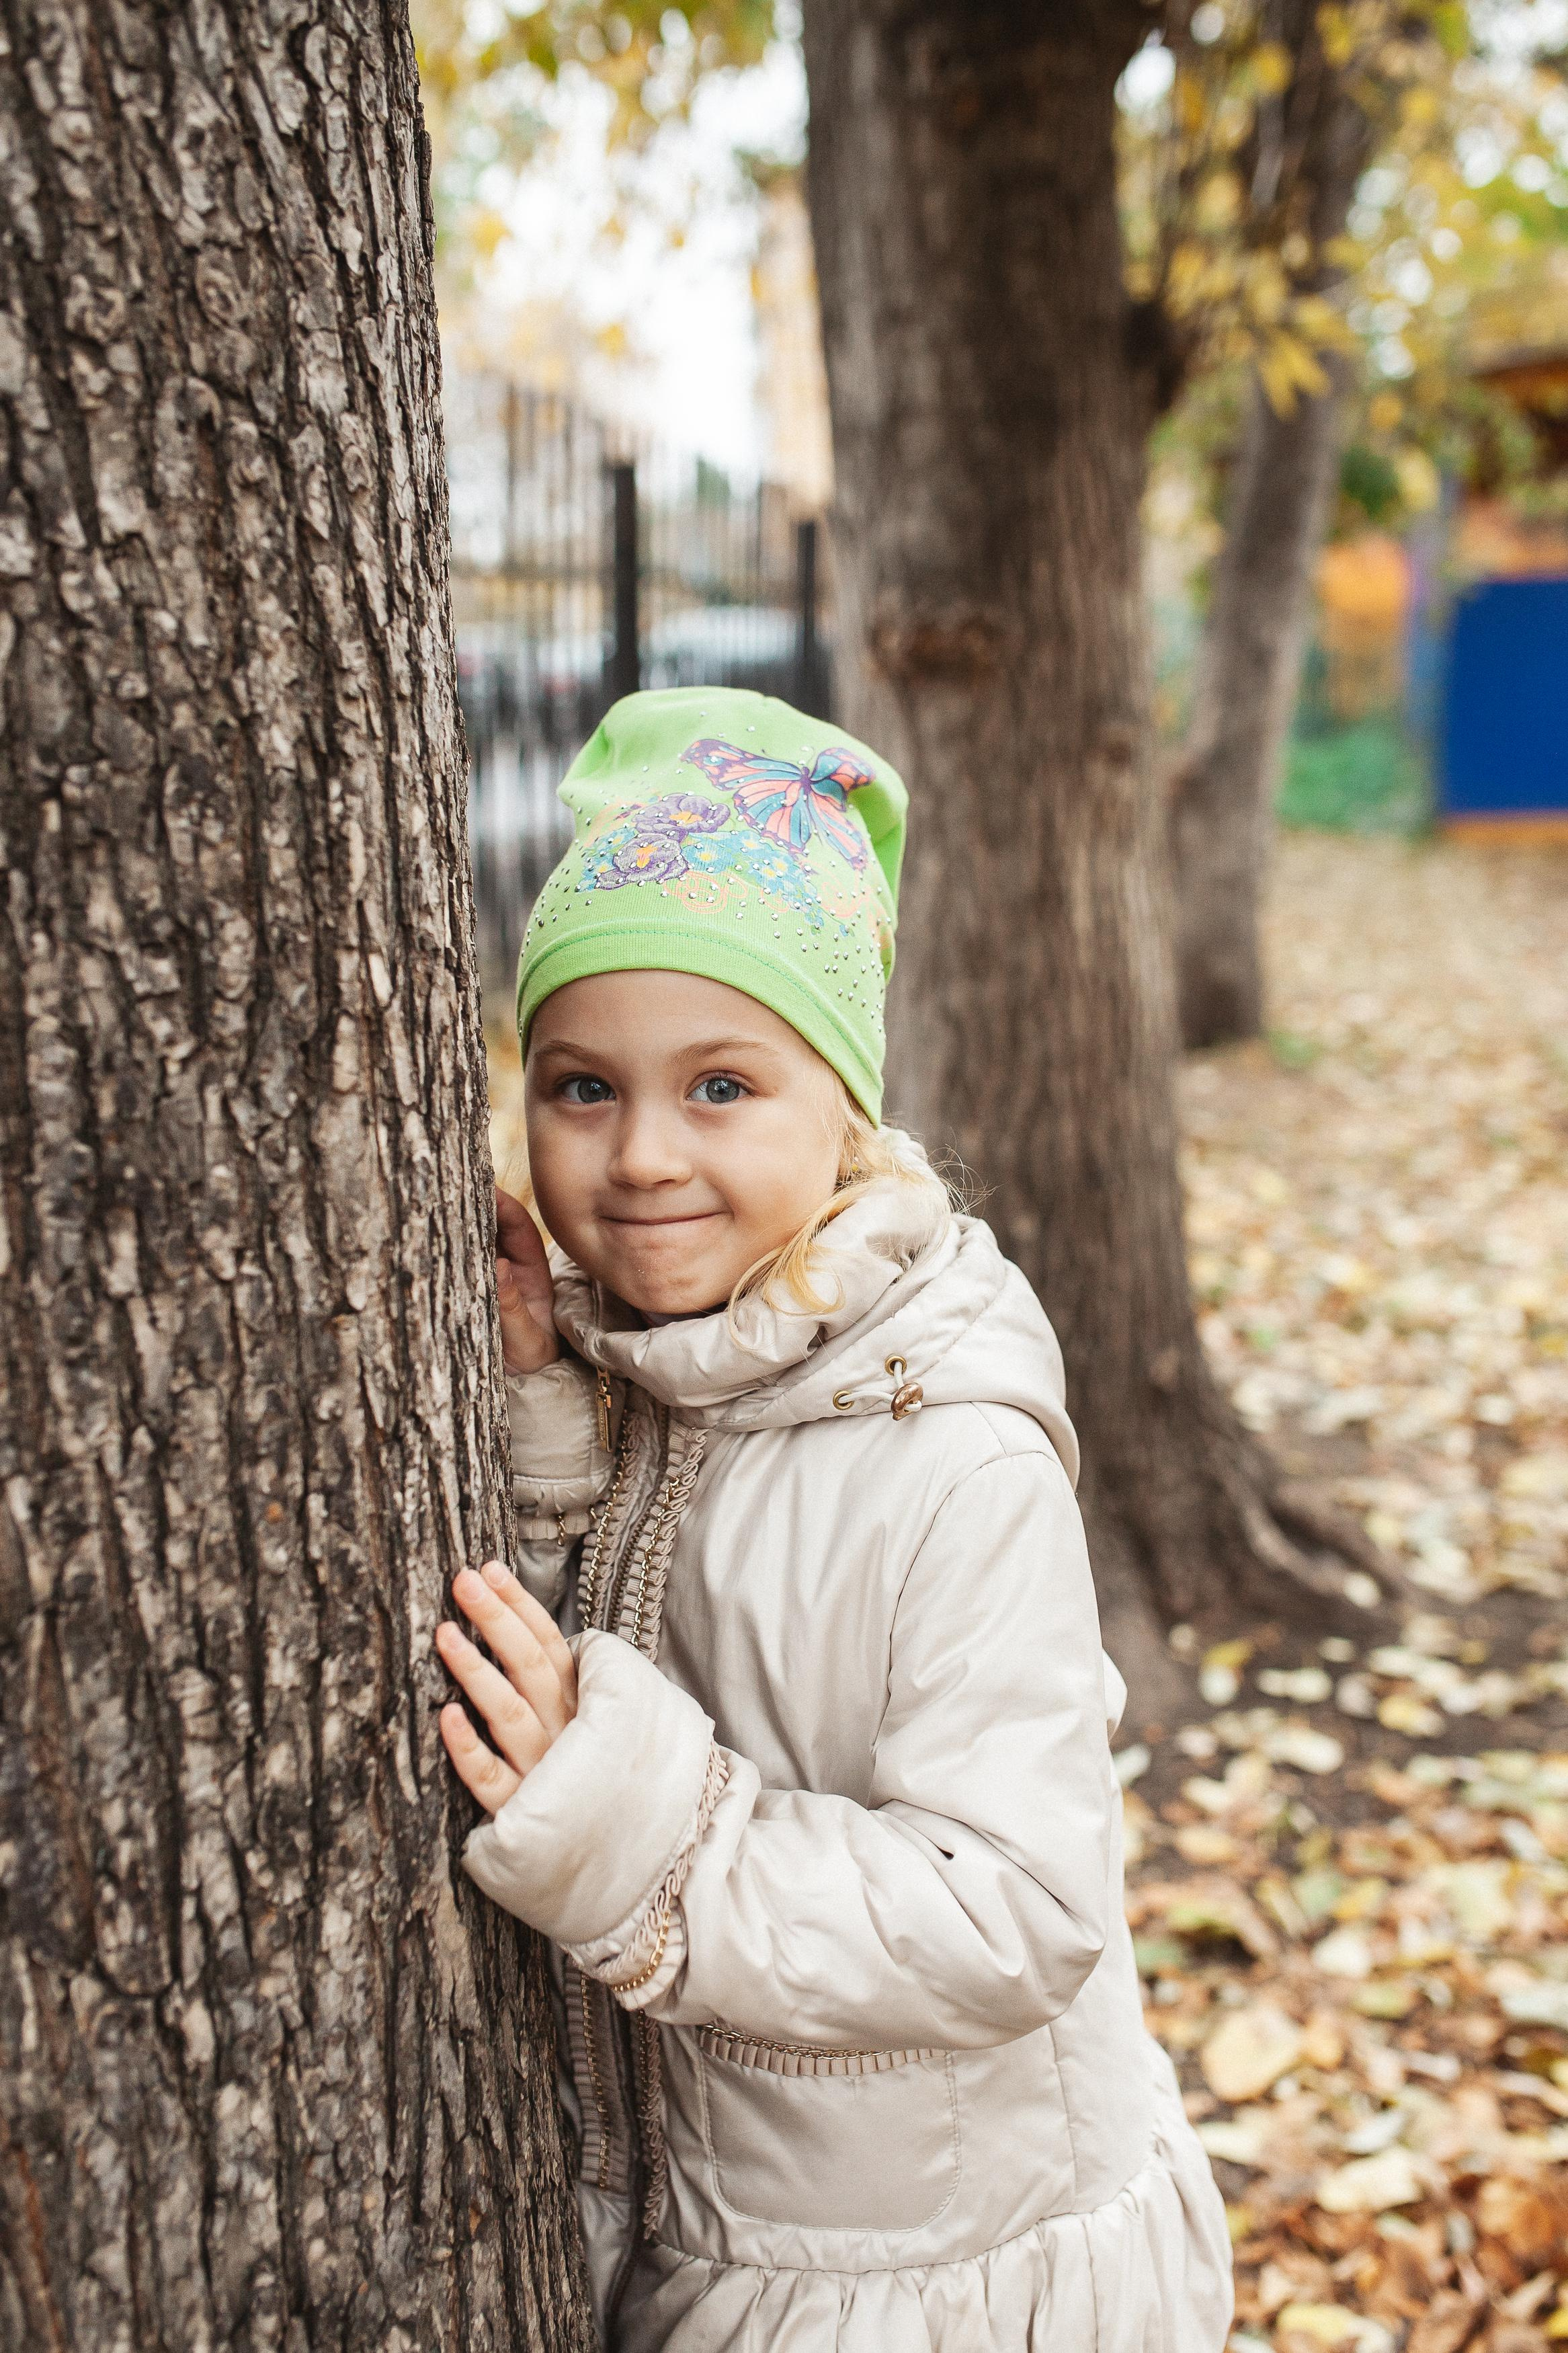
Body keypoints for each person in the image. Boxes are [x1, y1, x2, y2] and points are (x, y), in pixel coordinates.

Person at [436, 686, 1233, 2351]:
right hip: (718, 2232)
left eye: (721, 1084)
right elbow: (663, 1596)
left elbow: (1016, 1904)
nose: (643, 1152)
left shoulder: (950, 1453)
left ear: (846, 1115)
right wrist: (540, 1424)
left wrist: (645, 1835)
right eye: (582, 1087)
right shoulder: (669, 1362)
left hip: (933, 2286)